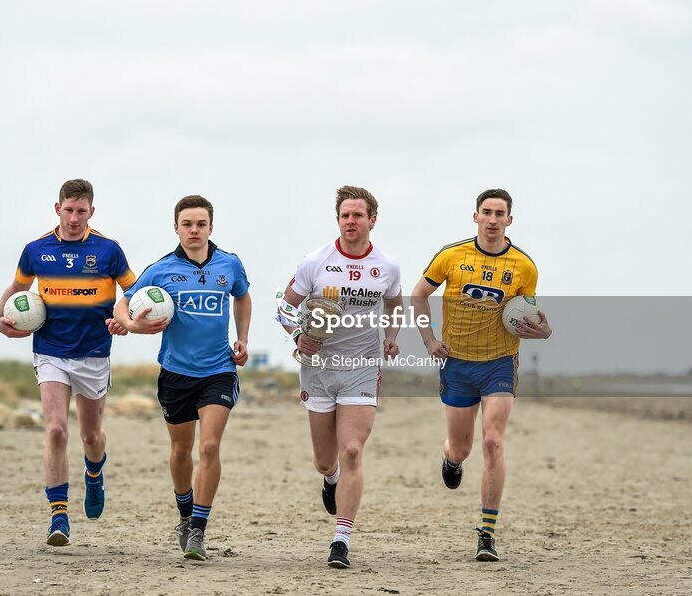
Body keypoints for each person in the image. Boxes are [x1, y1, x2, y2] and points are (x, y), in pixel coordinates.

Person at [411, 188, 552, 562]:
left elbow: (528, 315)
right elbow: (418, 295)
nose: (492, 219)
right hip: (457, 363)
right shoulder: (451, 256)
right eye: (486, 212)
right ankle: (451, 459)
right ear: (475, 217)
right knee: (462, 447)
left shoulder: (524, 266)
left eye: (499, 213)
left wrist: (543, 330)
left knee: (493, 441)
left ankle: (487, 533)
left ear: (510, 220)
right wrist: (429, 341)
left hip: (500, 363)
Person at [0, 178, 135, 546]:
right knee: (55, 429)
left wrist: (126, 320)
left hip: (94, 353)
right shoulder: (36, 250)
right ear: (57, 209)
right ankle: (58, 516)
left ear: (91, 211)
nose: (74, 217)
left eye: (81, 211)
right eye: (68, 210)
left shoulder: (108, 250)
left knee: (91, 435)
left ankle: (94, 473)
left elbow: (131, 291)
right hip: (51, 350)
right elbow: (17, 288)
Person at [114, 195, 251, 562]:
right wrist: (131, 325)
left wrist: (243, 338)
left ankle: (199, 531)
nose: (194, 230)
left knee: (208, 448)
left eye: (201, 224)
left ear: (211, 227)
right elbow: (123, 302)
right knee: (180, 450)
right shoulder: (160, 270)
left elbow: (243, 297)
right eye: (187, 224)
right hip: (175, 373)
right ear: (176, 228)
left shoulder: (229, 264)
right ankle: (185, 512)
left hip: (219, 370)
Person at [278, 185, 402, 569]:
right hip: (317, 369)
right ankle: (329, 479)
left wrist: (392, 337)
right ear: (338, 220)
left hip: (362, 367)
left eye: (358, 215)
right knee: (324, 459)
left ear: (372, 220)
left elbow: (395, 304)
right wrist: (300, 335)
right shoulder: (315, 262)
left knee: (352, 451)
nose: (351, 221)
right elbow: (283, 307)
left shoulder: (387, 266)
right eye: (345, 215)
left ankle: (341, 539)